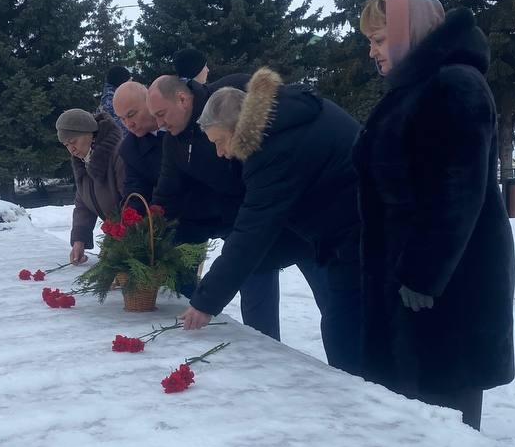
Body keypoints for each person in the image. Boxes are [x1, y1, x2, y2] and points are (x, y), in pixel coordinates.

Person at [353, 0, 515, 430]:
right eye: (371, 41)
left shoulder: (454, 86)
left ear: (411, 34)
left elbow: (458, 190)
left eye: (380, 39)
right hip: (408, 282)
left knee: (446, 423)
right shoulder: (413, 88)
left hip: (446, 290)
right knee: (412, 420)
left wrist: (424, 273)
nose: (373, 52)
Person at [181, 70, 363, 372]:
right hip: (341, 234)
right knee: (343, 326)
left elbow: (254, 229)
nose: (221, 153)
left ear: (236, 128)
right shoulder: (278, 122)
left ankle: (368, 406)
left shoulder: (272, 147)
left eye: (220, 141)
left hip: (358, 235)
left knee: (344, 333)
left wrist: (205, 302)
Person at [148, 74, 285, 340]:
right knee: (252, 283)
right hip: (229, 220)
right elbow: (167, 193)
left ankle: (269, 352)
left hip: (261, 214)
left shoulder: (223, 110)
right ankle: (260, 351)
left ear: (183, 99)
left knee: (265, 283)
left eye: (162, 114)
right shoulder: (173, 140)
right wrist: (151, 236)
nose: (159, 124)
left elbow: (253, 176)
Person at [57, 109, 125, 266]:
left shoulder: (118, 154)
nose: (71, 149)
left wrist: (115, 244)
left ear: (90, 133)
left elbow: (130, 205)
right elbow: (83, 204)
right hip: (117, 236)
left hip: (137, 239)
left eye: (73, 141)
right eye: (66, 145)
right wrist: (79, 239)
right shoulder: (83, 160)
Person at [112, 80, 165, 204]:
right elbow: (136, 190)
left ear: (149, 102)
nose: (128, 124)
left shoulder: (181, 119)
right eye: (122, 119)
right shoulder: (130, 149)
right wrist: (129, 217)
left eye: (131, 114)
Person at [99, 65, 133, 131]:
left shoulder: (114, 96)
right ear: (123, 82)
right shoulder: (111, 101)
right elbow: (123, 130)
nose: (131, 84)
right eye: (129, 81)